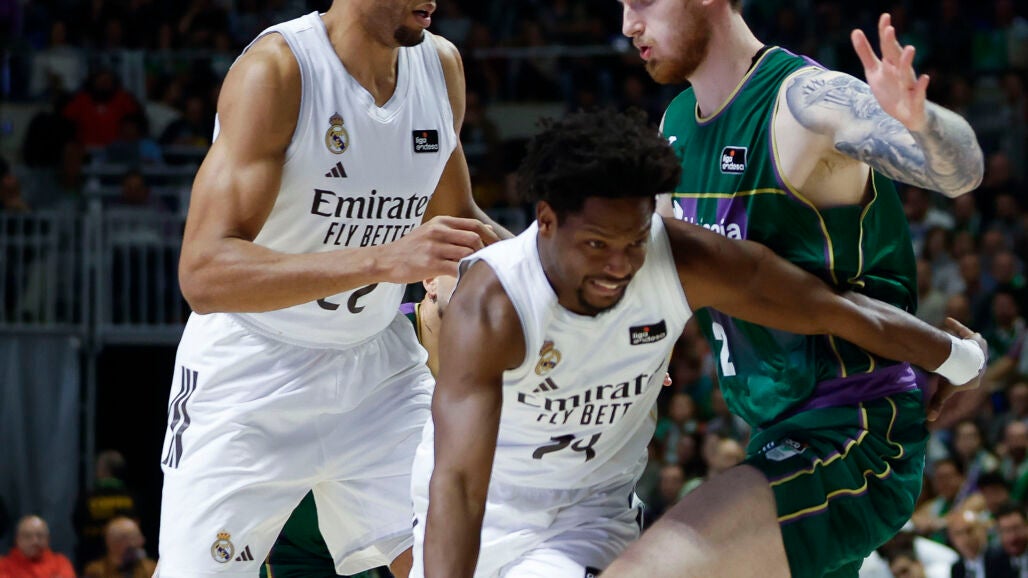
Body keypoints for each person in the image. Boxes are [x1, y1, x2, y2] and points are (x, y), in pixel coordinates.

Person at [413, 109, 986, 578]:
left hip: (587, 515)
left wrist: (961, 358)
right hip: (481, 500)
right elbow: (458, 485)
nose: (619, 266)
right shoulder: (493, 305)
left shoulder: (678, 258)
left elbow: (829, 309)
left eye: (634, 242)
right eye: (596, 245)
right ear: (546, 221)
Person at [612, 2, 986, 576]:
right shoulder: (676, 123)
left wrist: (921, 121)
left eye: (641, 1)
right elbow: (660, 274)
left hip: (856, 433)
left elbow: (960, 173)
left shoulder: (806, 100)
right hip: (774, 432)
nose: (628, 25)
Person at [156, 0, 508, 576]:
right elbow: (204, 273)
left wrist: (580, 306)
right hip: (253, 371)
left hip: (379, 372)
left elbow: (458, 221)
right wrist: (382, 260)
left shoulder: (440, 66)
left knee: (465, 563)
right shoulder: (279, 70)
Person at [262, 276, 455, 578]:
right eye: (469, 269)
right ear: (430, 279)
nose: (482, 287)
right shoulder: (373, 338)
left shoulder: (507, 372)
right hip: (297, 542)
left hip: (377, 541)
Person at [0, 515, 76, 578]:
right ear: (17, 540)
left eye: (40, 536)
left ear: (48, 539)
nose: (35, 541)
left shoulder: (61, 563)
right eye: (27, 536)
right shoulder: (3, 565)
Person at [83, 517, 157, 578]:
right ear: (117, 543)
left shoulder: (150, 569)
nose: (142, 541)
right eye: (135, 537)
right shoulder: (96, 572)